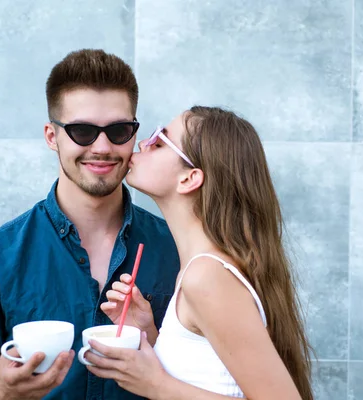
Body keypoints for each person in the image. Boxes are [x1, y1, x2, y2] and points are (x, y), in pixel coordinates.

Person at [0, 49, 180, 400]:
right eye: (82, 131)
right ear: (52, 136)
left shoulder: (179, 250)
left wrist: (153, 340)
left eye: (119, 130)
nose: (102, 146)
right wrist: (1, 394)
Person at [91, 106, 315, 399]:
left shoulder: (206, 276)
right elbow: (205, 377)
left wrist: (156, 385)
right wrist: (149, 333)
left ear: (189, 179)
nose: (142, 144)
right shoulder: (197, 271)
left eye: (159, 142)